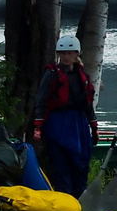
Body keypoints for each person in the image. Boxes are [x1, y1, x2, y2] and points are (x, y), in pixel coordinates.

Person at [30, 35, 99, 194]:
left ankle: (80, 199)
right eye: (63, 53)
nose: (66, 57)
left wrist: (94, 127)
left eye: (70, 53)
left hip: (79, 123)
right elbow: (41, 100)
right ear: (58, 54)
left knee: (81, 163)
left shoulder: (83, 76)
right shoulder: (52, 73)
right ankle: (65, 199)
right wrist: (38, 127)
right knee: (61, 165)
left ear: (76, 54)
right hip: (58, 122)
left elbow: (87, 104)